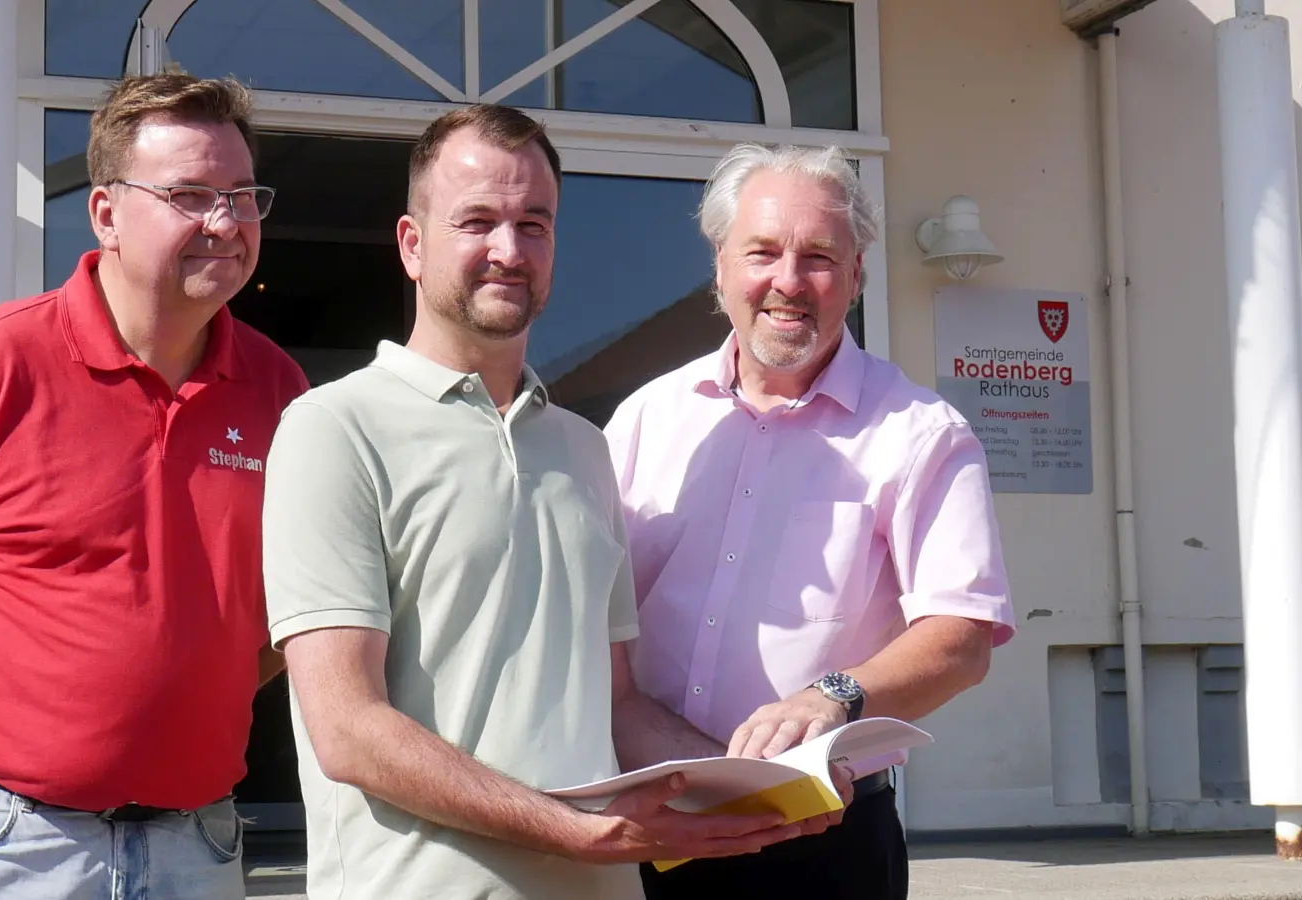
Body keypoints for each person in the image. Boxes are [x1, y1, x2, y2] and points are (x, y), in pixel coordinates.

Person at [261, 105, 833, 900]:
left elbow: (617, 701)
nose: (509, 250)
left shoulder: (581, 449)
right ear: (412, 244)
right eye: (478, 221)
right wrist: (586, 834)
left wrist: (755, 785)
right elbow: (349, 730)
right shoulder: (332, 430)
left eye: (535, 223)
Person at [0, 73, 307, 900]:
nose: (225, 222)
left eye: (244, 195)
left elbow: (287, 615)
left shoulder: (279, 390)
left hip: (194, 840)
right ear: (105, 213)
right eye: (189, 194)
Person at [605, 142, 1018, 900]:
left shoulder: (922, 432)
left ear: (857, 275)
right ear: (721, 267)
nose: (788, 281)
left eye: (820, 257)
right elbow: (599, 626)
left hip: (821, 840)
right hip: (650, 824)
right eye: (762, 251)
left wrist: (832, 696)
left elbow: (961, 638)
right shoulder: (641, 421)